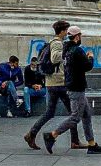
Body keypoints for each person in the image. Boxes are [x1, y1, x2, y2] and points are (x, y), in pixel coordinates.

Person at [43, 27, 101, 154]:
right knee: (75, 117)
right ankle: (52, 135)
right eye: (80, 36)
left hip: (71, 85)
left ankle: (92, 144)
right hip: (77, 87)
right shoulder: (77, 50)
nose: (80, 38)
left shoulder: (66, 50)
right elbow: (87, 66)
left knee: (86, 115)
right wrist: (91, 57)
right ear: (77, 37)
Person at [24, 19, 75, 149]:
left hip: (51, 83)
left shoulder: (53, 42)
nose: (67, 33)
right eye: (66, 31)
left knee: (50, 112)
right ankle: (75, 141)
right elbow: (55, 58)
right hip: (59, 83)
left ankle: (32, 133)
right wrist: (66, 50)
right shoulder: (58, 43)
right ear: (63, 31)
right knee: (73, 113)